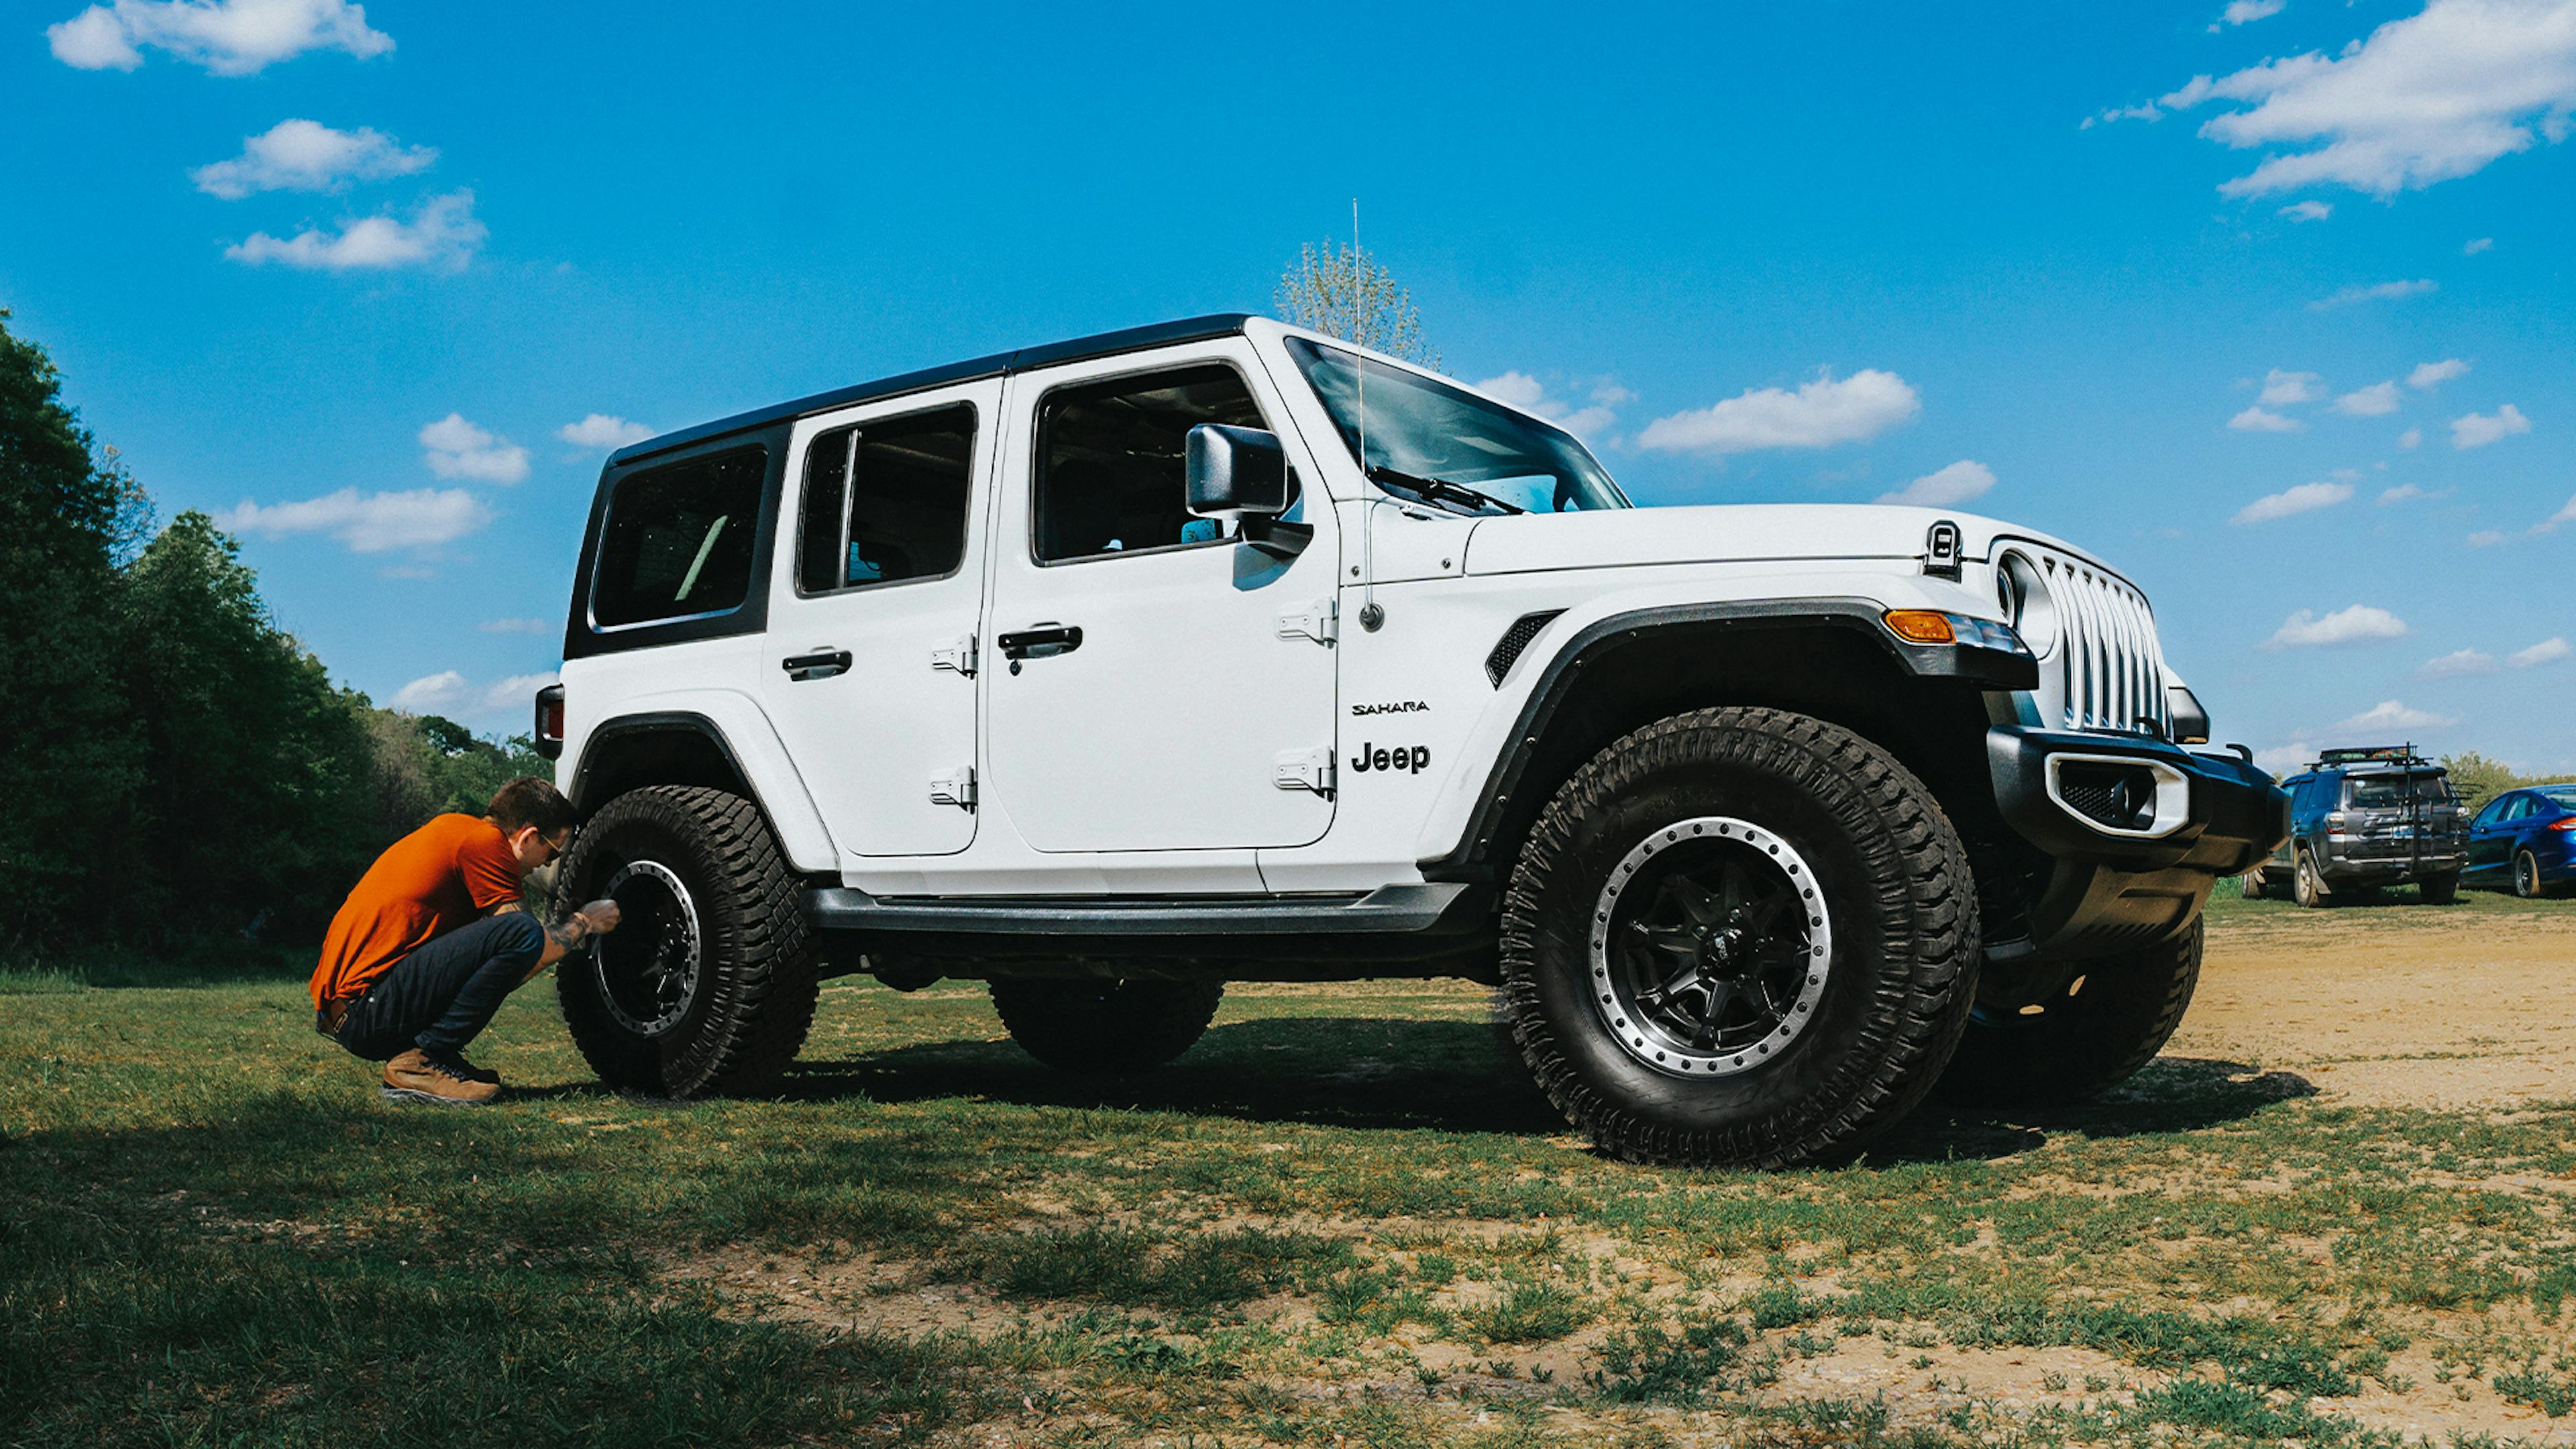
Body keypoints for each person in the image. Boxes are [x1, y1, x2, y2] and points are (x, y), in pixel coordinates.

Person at [311, 777, 621, 1106]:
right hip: (365, 1012)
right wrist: (584, 921)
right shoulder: (485, 842)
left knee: (517, 934)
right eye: (552, 851)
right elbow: (529, 948)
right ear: (529, 837)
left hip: (349, 1012)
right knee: (521, 931)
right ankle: (420, 1062)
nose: (546, 865)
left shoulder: (456, 832)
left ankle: (435, 1056)